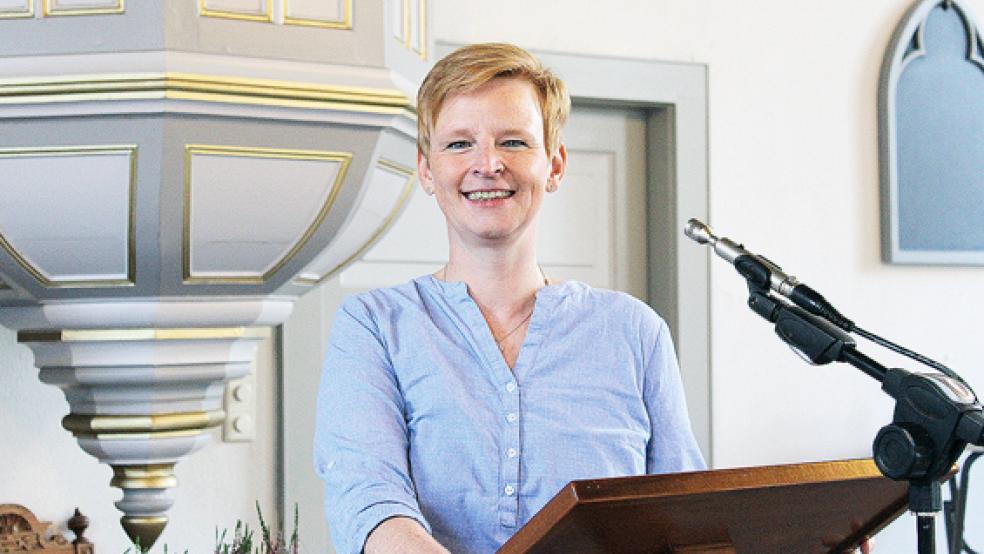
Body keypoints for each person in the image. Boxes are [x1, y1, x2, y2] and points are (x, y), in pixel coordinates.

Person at [314, 42, 705, 554]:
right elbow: (369, 502)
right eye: (459, 144)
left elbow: (685, 521)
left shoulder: (635, 331)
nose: (488, 164)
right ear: (427, 170)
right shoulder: (374, 326)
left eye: (514, 142)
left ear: (555, 165)